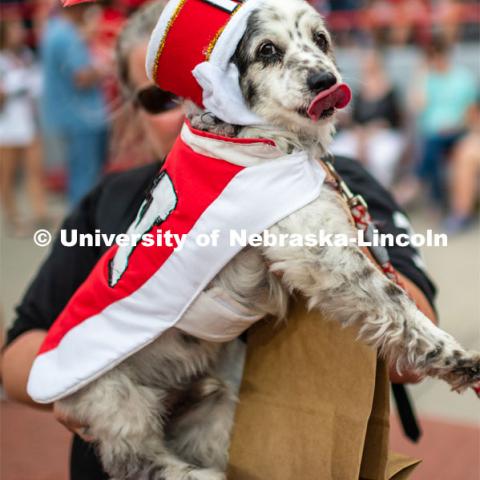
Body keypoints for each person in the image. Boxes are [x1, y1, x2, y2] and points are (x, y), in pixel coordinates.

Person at [2, 2, 437, 479]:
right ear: (131, 110)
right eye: (164, 99)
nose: (196, 105)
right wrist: (81, 379)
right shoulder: (110, 201)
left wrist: (324, 250)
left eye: (211, 87)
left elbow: (411, 357)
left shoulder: (332, 180)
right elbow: (19, 353)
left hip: (288, 454)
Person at [40, 3, 109, 208]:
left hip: (69, 115)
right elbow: (82, 77)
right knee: (84, 178)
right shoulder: (67, 35)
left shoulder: (53, 29)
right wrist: (106, 67)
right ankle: (81, 231)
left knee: (79, 174)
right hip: (83, 117)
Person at [411, 35, 477, 206]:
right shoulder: (427, 79)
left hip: (456, 130)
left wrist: (456, 126)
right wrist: (422, 75)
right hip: (431, 134)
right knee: (431, 145)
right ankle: (437, 198)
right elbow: (417, 107)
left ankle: (417, 184)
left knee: (431, 146)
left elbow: (471, 112)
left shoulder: (462, 78)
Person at [0, 17, 48, 234]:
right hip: (5, 126)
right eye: (14, 29)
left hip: (27, 122)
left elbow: (37, 84)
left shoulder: (26, 55)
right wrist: (13, 86)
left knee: (35, 170)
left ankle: (39, 212)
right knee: (6, 174)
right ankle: (12, 217)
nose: (19, 33)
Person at [331, 49, 405, 188]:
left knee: (379, 157)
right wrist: (360, 137)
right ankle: (348, 188)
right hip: (360, 133)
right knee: (339, 151)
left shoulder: (391, 90)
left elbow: (395, 119)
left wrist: (373, 130)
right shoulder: (360, 90)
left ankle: (377, 191)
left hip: (385, 134)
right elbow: (355, 120)